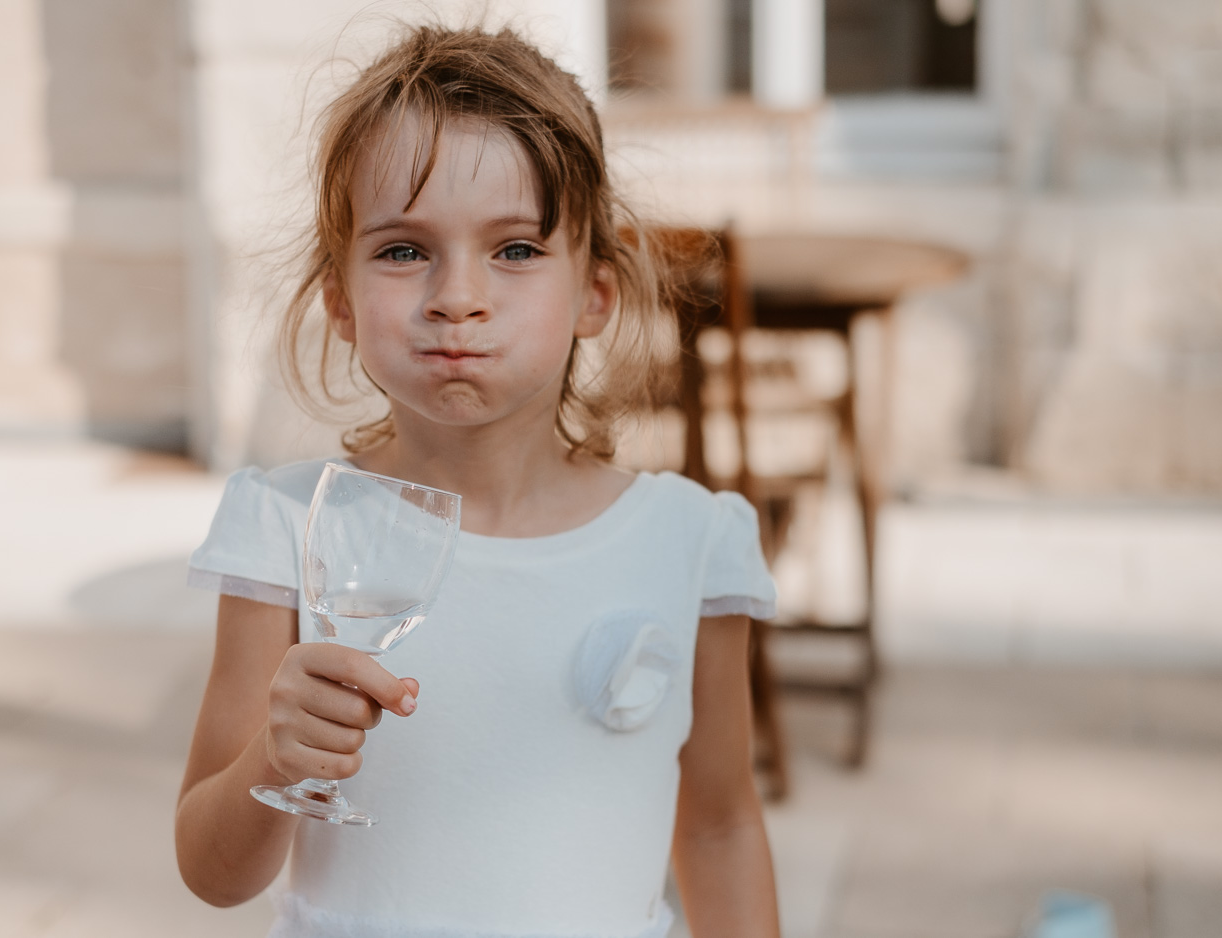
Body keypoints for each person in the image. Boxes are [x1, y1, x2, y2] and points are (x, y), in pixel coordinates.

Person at [176, 22, 781, 938]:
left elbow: (723, 823)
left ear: (596, 294)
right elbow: (211, 874)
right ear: (338, 298)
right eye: (403, 250)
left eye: (516, 250)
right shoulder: (287, 530)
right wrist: (277, 757)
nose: (458, 296)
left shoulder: (689, 544)